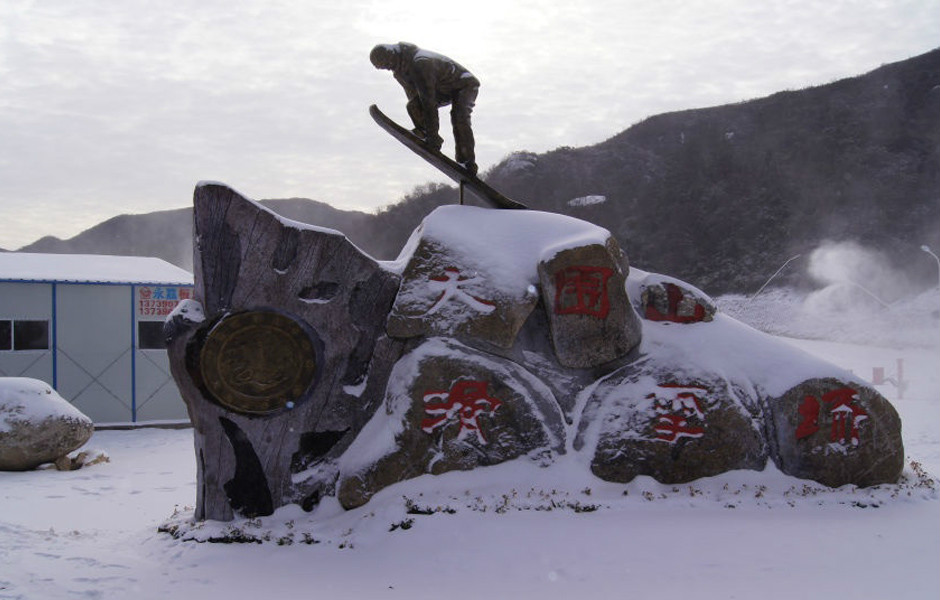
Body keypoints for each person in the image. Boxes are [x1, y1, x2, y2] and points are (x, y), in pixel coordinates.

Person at [370, 42, 480, 175]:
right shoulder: (399, 73)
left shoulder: (420, 63)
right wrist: (427, 132)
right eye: (384, 68)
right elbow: (415, 99)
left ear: (392, 55)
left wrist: (432, 137)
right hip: (443, 88)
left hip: (464, 85)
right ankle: (424, 133)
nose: (388, 68)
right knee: (413, 105)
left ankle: (467, 162)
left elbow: (428, 102)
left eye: (387, 64)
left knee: (459, 117)